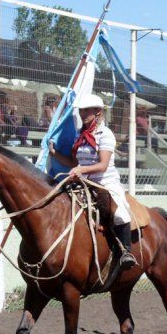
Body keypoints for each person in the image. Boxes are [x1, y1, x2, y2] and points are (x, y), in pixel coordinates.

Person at [47, 94, 136, 276]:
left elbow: (102, 165)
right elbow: (74, 163)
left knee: (119, 213)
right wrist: (54, 153)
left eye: (87, 110)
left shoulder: (106, 134)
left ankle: (126, 252)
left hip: (105, 182)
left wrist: (81, 170)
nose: (83, 113)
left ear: (98, 112)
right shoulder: (79, 136)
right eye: (81, 110)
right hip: (83, 182)